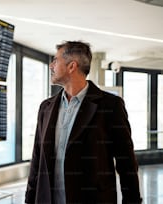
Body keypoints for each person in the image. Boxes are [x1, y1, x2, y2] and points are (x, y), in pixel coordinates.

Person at [25, 41, 142, 204]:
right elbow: (37, 161)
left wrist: (133, 201)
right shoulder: (46, 107)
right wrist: (29, 200)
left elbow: (126, 162)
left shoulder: (110, 105)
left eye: (56, 60)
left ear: (72, 66)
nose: (51, 65)